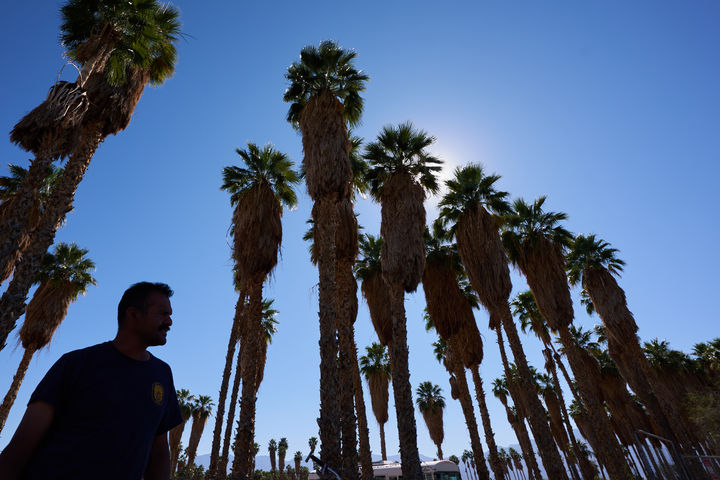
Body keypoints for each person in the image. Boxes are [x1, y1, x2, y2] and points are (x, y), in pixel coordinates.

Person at [0, 281, 183, 480]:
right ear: (133, 314)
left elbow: (159, 452)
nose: (169, 322)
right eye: (163, 313)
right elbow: (22, 444)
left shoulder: (162, 374)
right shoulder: (76, 364)